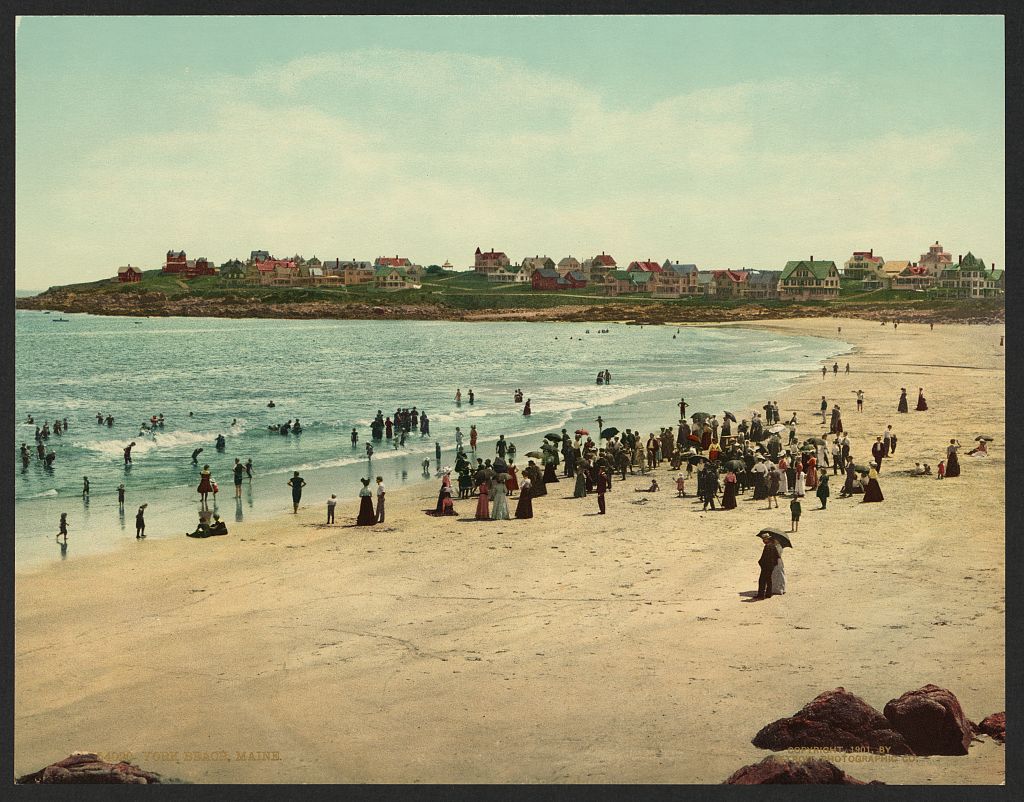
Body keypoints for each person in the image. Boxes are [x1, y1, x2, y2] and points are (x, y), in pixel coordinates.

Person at [756, 534, 780, 600]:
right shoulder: (773, 546)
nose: (763, 541)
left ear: (767, 539)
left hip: (766, 566)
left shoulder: (767, 546)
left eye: (764, 539)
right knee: (769, 580)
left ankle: (761, 595)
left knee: (762, 580)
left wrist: (760, 563)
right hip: (771, 566)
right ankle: (768, 594)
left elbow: (764, 558)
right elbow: (777, 556)